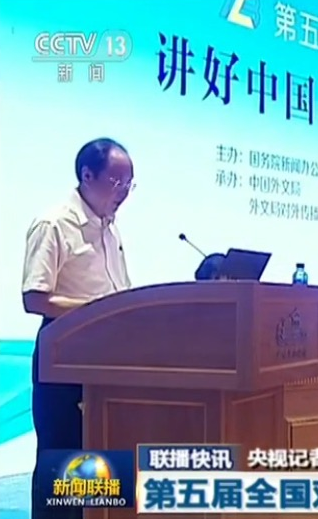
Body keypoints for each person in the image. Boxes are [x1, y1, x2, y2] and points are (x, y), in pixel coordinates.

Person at [21, 138, 133, 519]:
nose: (124, 192)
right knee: (64, 459)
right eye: (117, 182)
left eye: (129, 184)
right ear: (87, 175)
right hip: (64, 357)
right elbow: (34, 297)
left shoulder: (110, 230)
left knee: (99, 461)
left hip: (107, 360)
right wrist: (97, 311)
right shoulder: (54, 224)